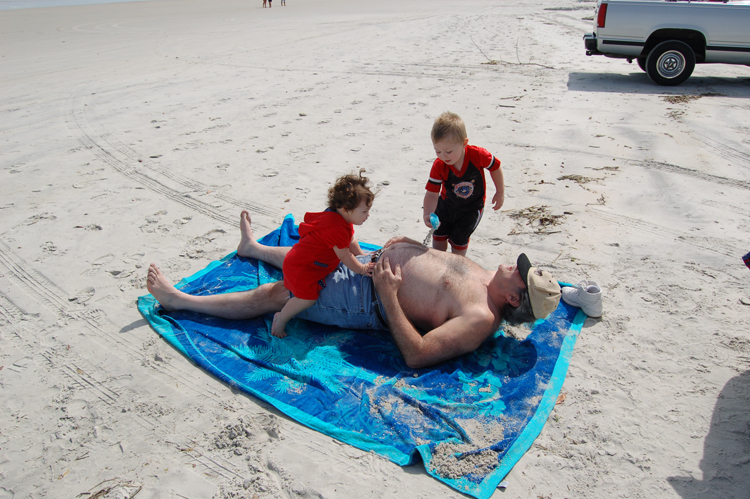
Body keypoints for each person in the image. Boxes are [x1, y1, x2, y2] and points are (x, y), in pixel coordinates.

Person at [147, 213, 560, 369]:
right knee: (311, 252)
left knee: (278, 295)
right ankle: (252, 249)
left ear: (513, 299)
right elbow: (438, 268)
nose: (513, 264)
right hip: (375, 265)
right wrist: (409, 247)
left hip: (366, 301)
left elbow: (418, 354)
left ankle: (179, 301)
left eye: (518, 273)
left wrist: (385, 293)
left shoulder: (480, 319)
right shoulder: (490, 276)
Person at [272, 172, 375, 338]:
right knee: (307, 298)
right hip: (302, 269)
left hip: (303, 260)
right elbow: (345, 256)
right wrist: (362, 268)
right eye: (364, 211)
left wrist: (362, 255)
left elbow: (351, 240)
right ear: (346, 209)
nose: (368, 215)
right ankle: (281, 318)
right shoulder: (337, 229)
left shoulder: (339, 218)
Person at [423, 111, 506, 256]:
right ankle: (437, 261)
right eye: (438, 151)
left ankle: (457, 266)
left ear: (464, 143)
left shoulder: (478, 155)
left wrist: (500, 192)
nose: (443, 156)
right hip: (446, 204)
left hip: (472, 207)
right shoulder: (439, 165)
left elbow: (495, 166)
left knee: (460, 238)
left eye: (448, 151)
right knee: (439, 233)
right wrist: (427, 213)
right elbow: (432, 193)